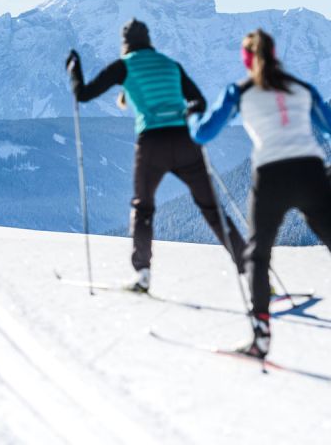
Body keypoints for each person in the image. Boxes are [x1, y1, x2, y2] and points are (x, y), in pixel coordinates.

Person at [66, 19, 246, 293]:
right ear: (149, 41)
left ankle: (143, 274)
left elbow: (83, 94)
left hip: (152, 144)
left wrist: (74, 68)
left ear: (125, 44)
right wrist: (187, 115)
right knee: (212, 210)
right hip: (186, 142)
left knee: (143, 207)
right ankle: (253, 272)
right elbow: (199, 101)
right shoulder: (171, 64)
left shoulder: (124, 65)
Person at [188, 28, 331, 358]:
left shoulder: (239, 91)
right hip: (311, 172)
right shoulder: (301, 88)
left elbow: (203, 134)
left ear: (246, 59)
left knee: (258, 253)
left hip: (271, 176)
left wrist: (192, 114)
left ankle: (261, 336)